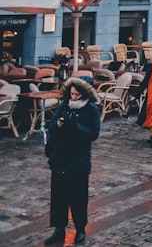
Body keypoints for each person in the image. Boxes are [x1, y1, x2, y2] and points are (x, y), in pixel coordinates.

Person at [44, 76, 101, 245]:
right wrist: (59, 125)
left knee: (78, 198)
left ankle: (80, 229)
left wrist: (73, 125)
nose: (73, 97)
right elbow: (51, 126)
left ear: (84, 94)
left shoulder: (91, 110)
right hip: (60, 159)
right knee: (59, 198)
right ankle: (59, 229)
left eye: (77, 94)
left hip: (78, 160)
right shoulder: (64, 106)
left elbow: (93, 134)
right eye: (72, 94)